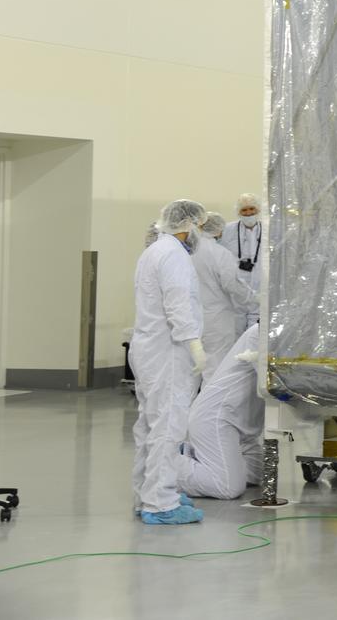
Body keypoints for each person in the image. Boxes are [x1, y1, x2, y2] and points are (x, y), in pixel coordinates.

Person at [132, 199, 208, 525]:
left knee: (149, 426)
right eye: (199, 226)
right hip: (169, 352)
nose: (199, 233)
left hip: (149, 350)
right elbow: (178, 303)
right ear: (188, 224)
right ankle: (161, 503)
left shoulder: (153, 251)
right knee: (168, 427)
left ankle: (146, 494)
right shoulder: (174, 255)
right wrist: (194, 345)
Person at [178, 324, 264, 499]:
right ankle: (162, 464)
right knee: (227, 487)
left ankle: (197, 455)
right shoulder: (259, 335)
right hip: (218, 418)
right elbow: (273, 384)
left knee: (258, 474)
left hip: (241, 424)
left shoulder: (285, 334)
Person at [193, 212, 257, 384]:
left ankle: (194, 408)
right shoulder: (219, 253)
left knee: (194, 369)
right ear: (219, 231)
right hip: (217, 319)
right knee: (215, 367)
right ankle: (209, 410)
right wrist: (255, 299)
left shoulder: (189, 250)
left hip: (192, 317)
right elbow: (232, 284)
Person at [220, 193, 263, 329]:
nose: (249, 213)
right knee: (236, 328)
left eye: (252, 209)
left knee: (256, 330)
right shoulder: (227, 230)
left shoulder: (268, 229)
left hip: (261, 286)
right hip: (236, 289)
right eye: (244, 210)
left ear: (258, 209)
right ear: (238, 212)